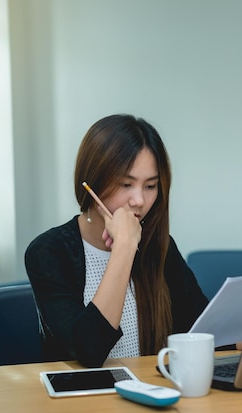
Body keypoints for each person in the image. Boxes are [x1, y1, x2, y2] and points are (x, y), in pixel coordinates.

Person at [25, 114, 209, 367]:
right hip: (83, 401)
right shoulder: (49, 251)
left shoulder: (160, 245)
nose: (139, 201)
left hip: (152, 394)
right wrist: (124, 248)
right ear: (91, 183)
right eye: (126, 184)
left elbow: (202, 328)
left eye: (150, 186)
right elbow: (89, 350)